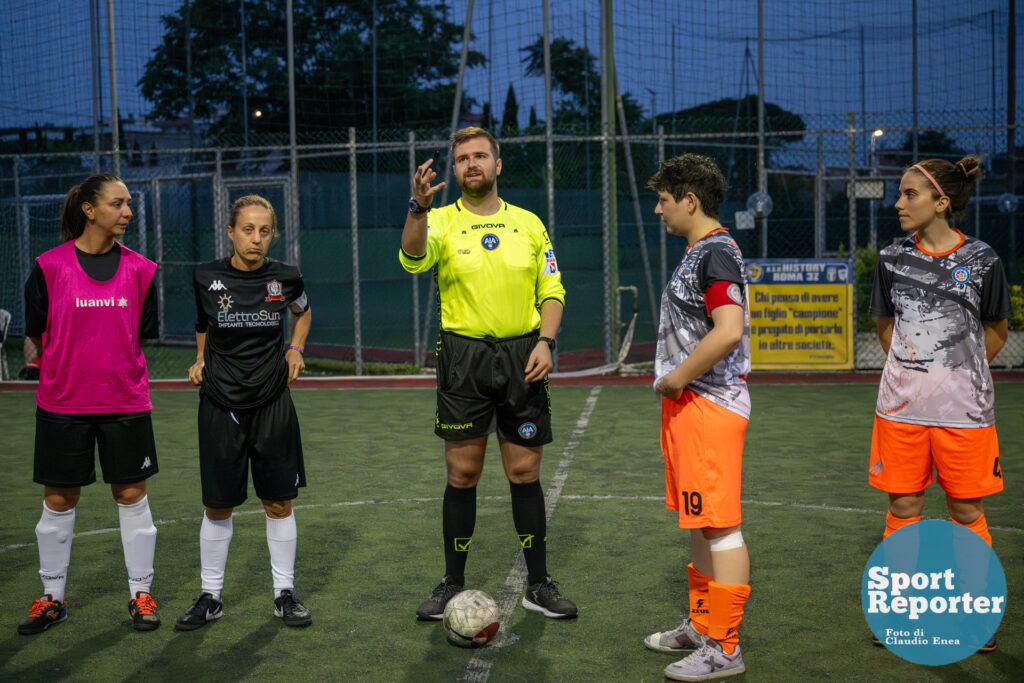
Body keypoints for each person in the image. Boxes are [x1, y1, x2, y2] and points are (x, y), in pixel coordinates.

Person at [399, 126, 577, 621]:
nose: (471, 164)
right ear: (454, 170)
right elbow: (413, 257)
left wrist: (546, 340)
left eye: (480, 156)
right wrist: (416, 207)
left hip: (524, 356)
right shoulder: (437, 221)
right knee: (463, 472)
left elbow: (553, 290)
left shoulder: (529, 224)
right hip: (463, 358)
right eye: (461, 159)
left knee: (525, 471)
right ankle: (451, 582)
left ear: (498, 165)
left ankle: (538, 584)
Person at [869, 156, 1009, 651]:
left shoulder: (984, 260)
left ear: (942, 202)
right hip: (900, 412)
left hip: (965, 414)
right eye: (900, 193)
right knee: (903, 504)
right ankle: (898, 613)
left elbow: (996, 330)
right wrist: (914, 372)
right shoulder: (891, 259)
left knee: (966, 510)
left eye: (910, 194)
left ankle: (976, 615)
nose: (899, 203)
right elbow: (886, 327)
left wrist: (957, 374)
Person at [19, 173, 161, 635]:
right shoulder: (48, 267)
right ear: (89, 209)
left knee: (131, 495)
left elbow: (140, 334)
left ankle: (141, 595)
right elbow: (37, 339)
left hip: (125, 401)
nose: (128, 212)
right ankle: (51, 599)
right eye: (119, 204)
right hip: (62, 405)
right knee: (59, 498)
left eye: (129, 203)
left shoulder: (143, 269)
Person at [175, 195, 313, 631]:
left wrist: (295, 348)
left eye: (265, 231)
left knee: (278, 501)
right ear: (231, 232)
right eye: (248, 230)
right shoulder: (205, 277)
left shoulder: (286, 277)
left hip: (272, 401)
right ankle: (210, 597)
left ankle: (284, 594)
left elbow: (303, 313)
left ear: (273, 234)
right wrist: (200, 359)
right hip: (219, 403)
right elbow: (203, 324)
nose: (256, 239)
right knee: (218, 506)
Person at [643, 154, 751, 681]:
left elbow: (728, 329)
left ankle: (725, 649)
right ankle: (702, 626)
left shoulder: (716, 252)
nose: (659, 209)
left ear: (690, 200)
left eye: (664, 199)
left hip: (708, 405)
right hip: (690, 407)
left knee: (721, 527)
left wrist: (680, 376)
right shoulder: (699, 252)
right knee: (700, 523)